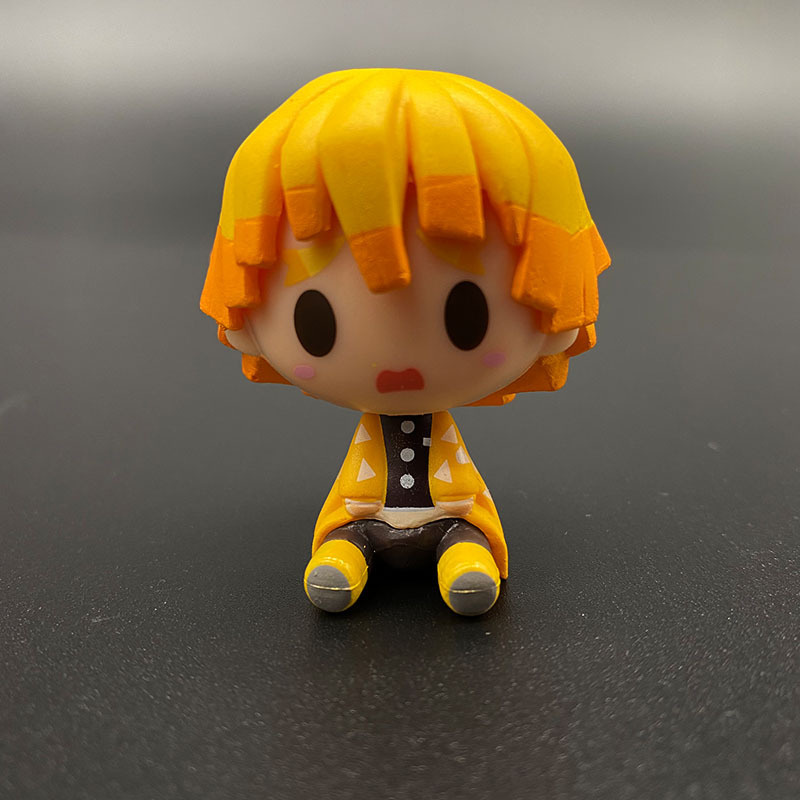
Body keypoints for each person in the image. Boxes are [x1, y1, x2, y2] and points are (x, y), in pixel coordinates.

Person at [200, 68, 610, 615]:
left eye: (467, 318)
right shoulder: (366, 464)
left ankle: (464, 560)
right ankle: (344, 558)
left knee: (465, 535)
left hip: (451, 515)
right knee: (346, 536)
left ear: (556, 312)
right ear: (244, 317)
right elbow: (353, 497)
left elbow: (462, 494)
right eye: (315, 323)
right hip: (363, 517)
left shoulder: (448, 457)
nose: (396, 366)